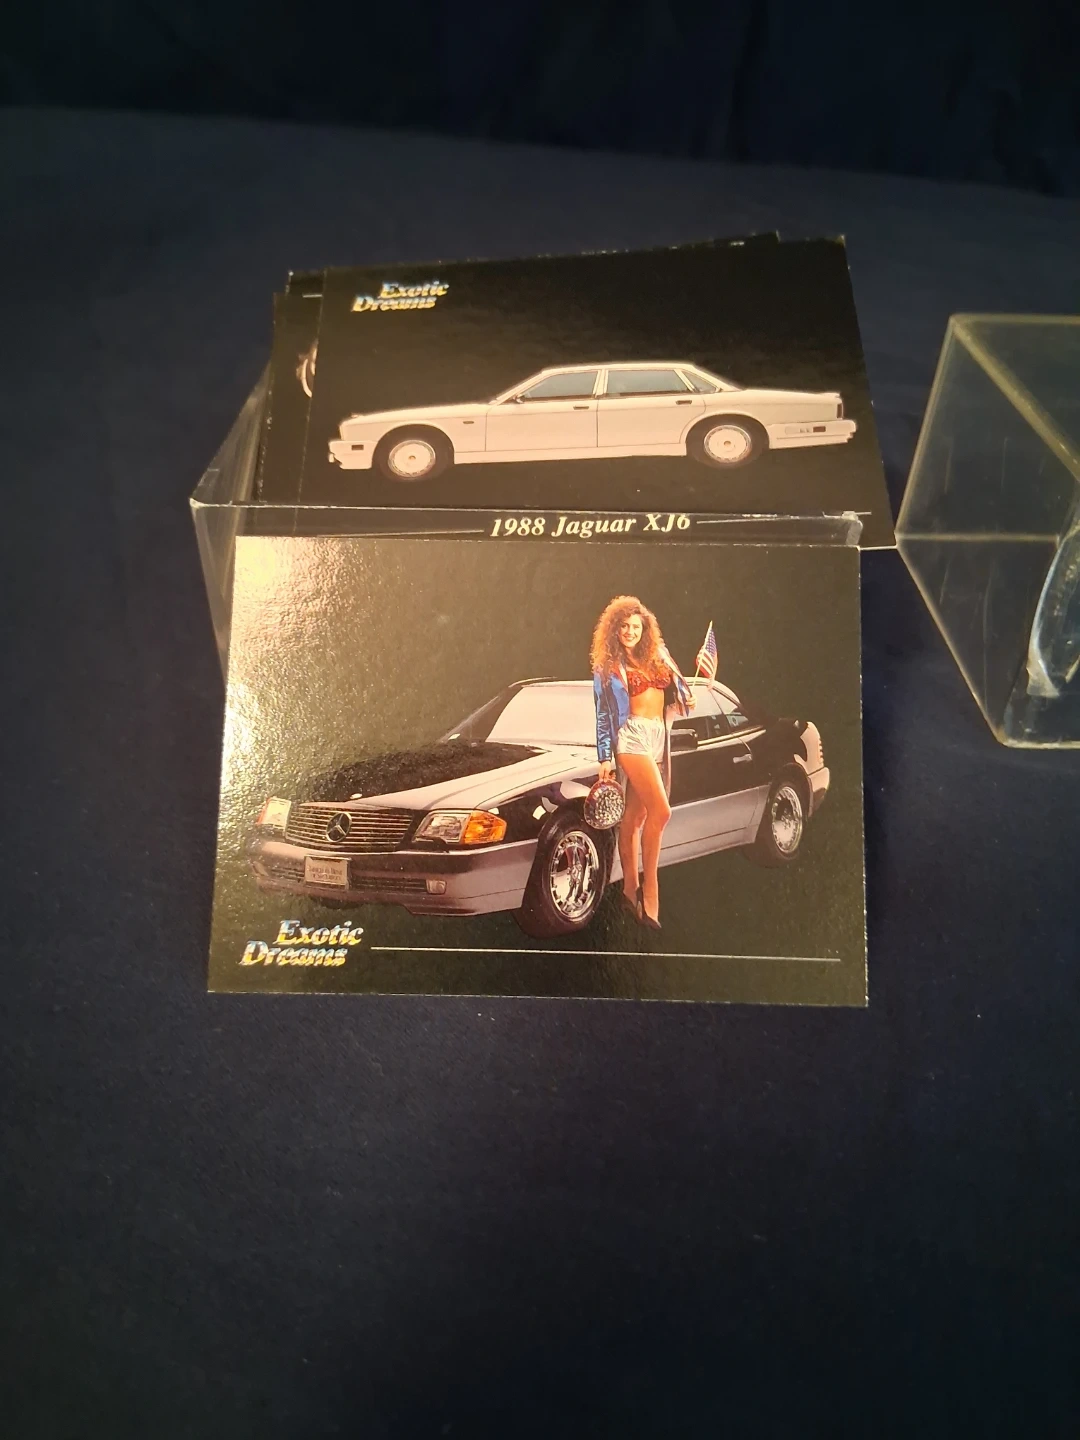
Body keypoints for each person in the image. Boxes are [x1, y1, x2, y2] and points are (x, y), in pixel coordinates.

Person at [591, 596, 706, 929]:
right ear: (614, 629)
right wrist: (604, 757)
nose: (630, 632)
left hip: (659, 734)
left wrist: (685, 701)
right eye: (624, 626)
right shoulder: (607, 666)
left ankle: (629, 891)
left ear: (645, 629)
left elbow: (678, 693)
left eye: (636, 627)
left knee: (635, 816)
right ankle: (650, 891)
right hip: (631, 736)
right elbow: (603, 715)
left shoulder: (659, 654)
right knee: (662, 811)